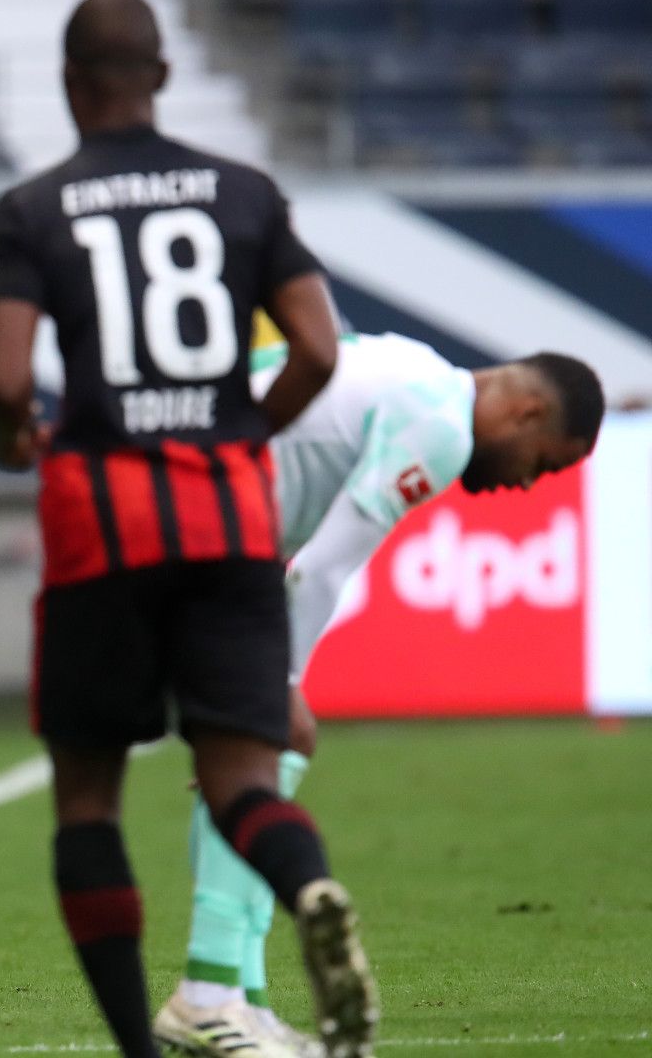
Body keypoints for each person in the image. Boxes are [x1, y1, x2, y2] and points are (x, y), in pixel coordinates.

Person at [0, 0, 376, 1058]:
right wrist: (240, 431)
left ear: (70, 85)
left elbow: (8, 376)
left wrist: (16, 434)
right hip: (229, 519)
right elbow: (321, 350)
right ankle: (313, 887)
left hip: (103, 526)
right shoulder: (245, 194)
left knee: (89, 803)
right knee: (243, 779)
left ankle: (140, 1052)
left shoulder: (34, 208)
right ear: (160, 77)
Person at [156, 333, 602, 1056]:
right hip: (183, 521)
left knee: (262, 747)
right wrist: (282, 684)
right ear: (525, 414)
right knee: (272, 737)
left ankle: (243, 999)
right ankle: (209, 996)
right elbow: (321, 571)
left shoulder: (413, 368)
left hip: (183, 504)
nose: (526, 484)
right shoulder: (441, 430)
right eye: (541, 465)